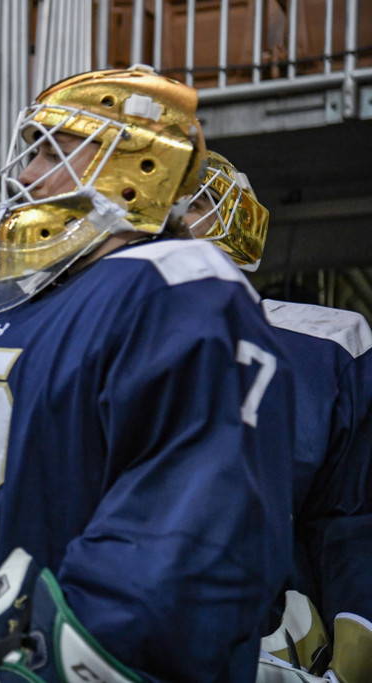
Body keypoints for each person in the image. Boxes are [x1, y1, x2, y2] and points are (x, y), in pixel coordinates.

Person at [0, 67, 295, 682]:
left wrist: (54, 652)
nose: (20, 175)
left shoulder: (176, 291)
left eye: (52, 150)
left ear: (140, 165)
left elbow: (188, 533)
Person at [187, 151, 372, 679]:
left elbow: (353, 520)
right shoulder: (74, 326)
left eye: (194, 204)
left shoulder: (326, 349)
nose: (171, 219)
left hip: (261, 637)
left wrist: (356, 632)